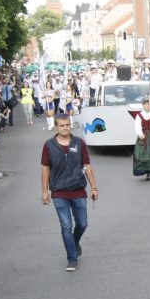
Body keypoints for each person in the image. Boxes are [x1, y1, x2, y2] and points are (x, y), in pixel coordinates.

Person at [40, 114, 98, 272]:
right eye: (62, 125)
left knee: (82, 224)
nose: (65, 128)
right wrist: (44, 191)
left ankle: (74, 241)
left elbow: (87, 165)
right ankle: (72, 258)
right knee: (66, 226)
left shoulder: (79, 143)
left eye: (67, 125)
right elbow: (46, 168)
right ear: (56, 127)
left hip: (78, 189)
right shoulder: (49, 145)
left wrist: (93, 187)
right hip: (59, 192)